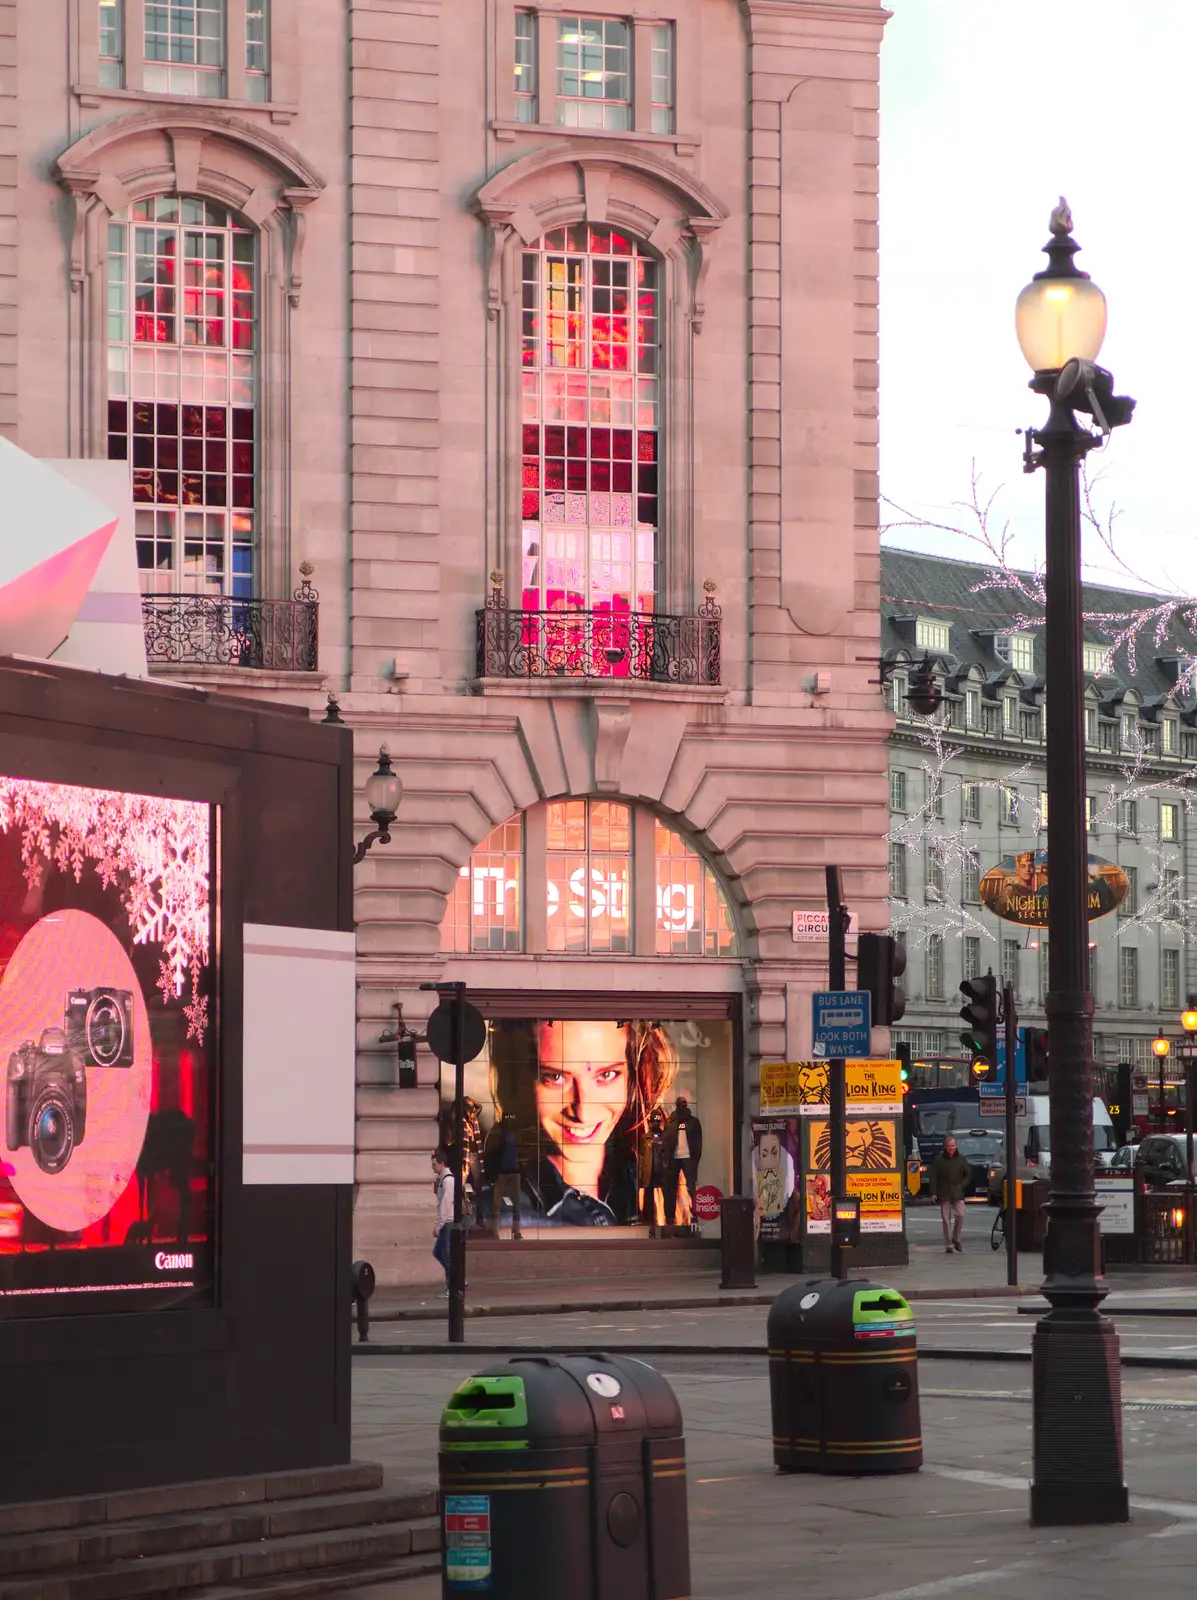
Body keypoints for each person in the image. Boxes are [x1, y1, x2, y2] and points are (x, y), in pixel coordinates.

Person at [488, 1018, 678, 1226]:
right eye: (555, 1077)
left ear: (632, 1078)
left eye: (607, 1074)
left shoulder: (657, 1181)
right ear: (519, 1082)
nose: (583, 1113)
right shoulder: (506, 1216)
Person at [663, 1096, 703, 1226]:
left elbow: (698, 1141)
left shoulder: (693, 1122)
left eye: (685, 1103)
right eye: (681, 1103)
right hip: (674, 1158)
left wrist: (696, 1158)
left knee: (691, 1186)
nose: (683, 1105)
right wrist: (666, 1157)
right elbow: (666, 1140)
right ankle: (669, 1216)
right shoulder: (671, 1122)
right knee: (671, 1188)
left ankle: (696, 1213)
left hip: (688, 1157)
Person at [931, 1134, 972, 1253]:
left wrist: (962, 1185)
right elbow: (933, 1176)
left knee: (960, 1214)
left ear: (956, 1146)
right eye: (949, 1146)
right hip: (943, 1192)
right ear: (945, 1147)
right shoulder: (939, 1160)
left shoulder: (961, 1159)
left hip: (957, 1192)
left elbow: (968, 1174)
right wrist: (933, 1192)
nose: (951, 1148)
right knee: (945, 1219)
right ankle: (949, 1244)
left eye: (953, 1146)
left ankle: (956, 1238)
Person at [490, 1112, 524, 1240]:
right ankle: (494, 1230)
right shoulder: (498, 1133)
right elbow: (492, 1151)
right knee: (497, 1203)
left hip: (513, 1172)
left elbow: (519, 1152)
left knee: (516, 1204)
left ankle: (516, 1231)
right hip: (502, 1172)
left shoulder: (516, 1133)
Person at [431, 1148, 454, 1291]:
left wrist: (438, 1226)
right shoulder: (443, 1179)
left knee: (445, 1255)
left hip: (448, 1222)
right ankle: (455, 1280)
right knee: (439, 1253)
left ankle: (452, 1285)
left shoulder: (448, 1181)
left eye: (434, 1164)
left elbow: (445, 1205)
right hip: (446, 1222)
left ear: (442, 1164)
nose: (432, 1167)